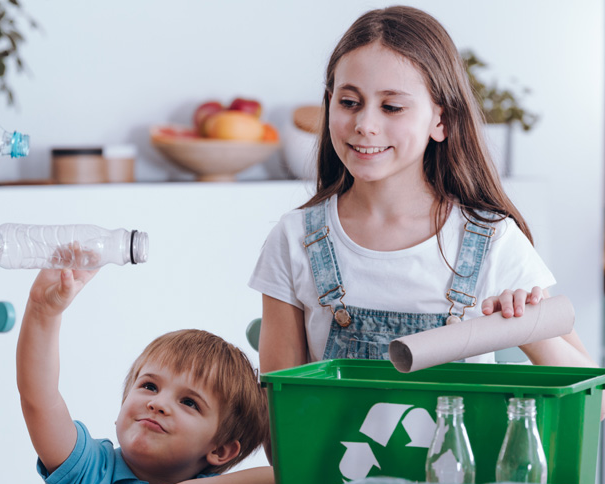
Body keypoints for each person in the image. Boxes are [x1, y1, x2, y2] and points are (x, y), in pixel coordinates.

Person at [250, 6, 594, 374]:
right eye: (349, 102)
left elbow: (598, 402)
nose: (365, 124)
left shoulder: (494, 242)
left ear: (440, 120)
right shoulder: (295, 239)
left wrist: (527, 327)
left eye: (392, 107)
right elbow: (279, 407)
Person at [16, 268, 274, 484]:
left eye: (189, 402)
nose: (158, 403)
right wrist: (43, 312)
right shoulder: (86, 471)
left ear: (219, 450)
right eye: (149, 386)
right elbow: (40, 399)